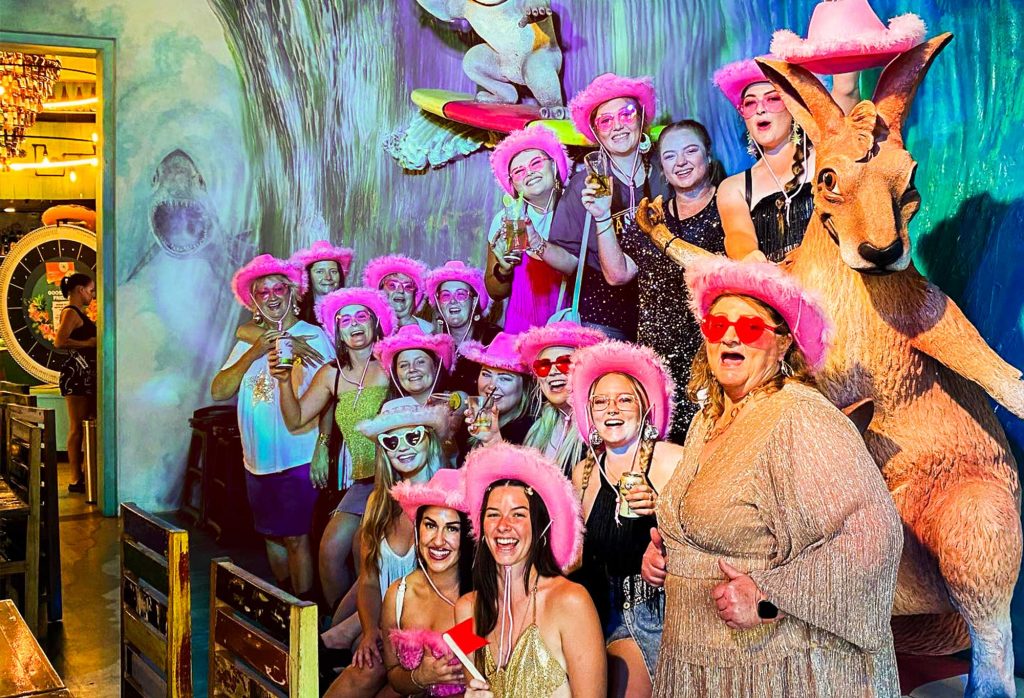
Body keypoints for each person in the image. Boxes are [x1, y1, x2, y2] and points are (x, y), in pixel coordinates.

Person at [643, 255, 903, 696]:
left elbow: (874, 534)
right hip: (696, 661)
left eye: (749, 327)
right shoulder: (706, 421)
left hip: (766, 670)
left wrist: (768, 597)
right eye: (716, 324)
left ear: (784, 344)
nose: (729, 334)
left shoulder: (800, 416)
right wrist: (669, 553)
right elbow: (714, 526)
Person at [596, 119, 728, 441]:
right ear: (662, 168)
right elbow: (618, 274)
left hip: (709, 353)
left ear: (707, 157)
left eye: (690, 151)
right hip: (657, 358)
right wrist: (601, 215)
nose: (681, 162)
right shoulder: (651, 215)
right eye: (670, 156)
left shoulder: (728, 205)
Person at [567, 340, 684, 697]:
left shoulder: (670, 460)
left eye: (624, 399)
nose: (611, 409)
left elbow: (706, 535)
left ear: (644, 407)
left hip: (654, 615)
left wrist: (660, 507)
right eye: (601, 402)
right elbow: (575, 559)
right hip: (595, 614)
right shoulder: (583, 473)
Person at [212, 255, 331, 596]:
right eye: (262, 292)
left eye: (279, 288)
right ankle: (284, 604)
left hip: (298, 457)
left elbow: (330, 396)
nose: (272, 296)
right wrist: (254, 351)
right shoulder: (247, 342)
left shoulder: (313, 338)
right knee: (270, 535)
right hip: (256, 460)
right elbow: (219, 390)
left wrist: (323, 446)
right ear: (253, 302)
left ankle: (303, 617)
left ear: (294, 293)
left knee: (296, 537)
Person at [271, 287, 397, 609]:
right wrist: (284, 381)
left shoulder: (391, 364)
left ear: (375, 322)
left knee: (361, 548)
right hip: (362, 481)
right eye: (345, 320)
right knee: (328, 551)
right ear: (337, 329)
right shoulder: (332, 374)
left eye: (362, 317)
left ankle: (365, 634)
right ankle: (338, 628)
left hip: (394, 481)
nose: (354, 325)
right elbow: (296, 418)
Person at [457, 442, 606, 698]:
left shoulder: (572, 601)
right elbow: (474, 686)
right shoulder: (464, 611)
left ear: (540, 529)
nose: (503, 526)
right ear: (481, 530)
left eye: (517, 515)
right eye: (493, 515)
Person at [324, 397, 451, 697]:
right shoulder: (377, 504)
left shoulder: (448, 500)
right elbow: (368, 582)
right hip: (386, 627)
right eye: (391, 441)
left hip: (432, 633)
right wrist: (369, 631)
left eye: (412, 435)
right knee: (364, 670)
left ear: (429, 438)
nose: (402, 447)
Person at [547, 73, 665, 341]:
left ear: (641, 118)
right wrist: (536, 244)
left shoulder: (666, 173)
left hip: (665, 313)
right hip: (605, 318)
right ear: (596, 131)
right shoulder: (583, 186)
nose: (618, 126)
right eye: (606, 120)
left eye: (627, 114)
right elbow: (570, 261)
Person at [714, 58, 859, 262]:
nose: (760, 110)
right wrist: (750, 258)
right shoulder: (733, 187)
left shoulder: (827, 157)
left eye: (772, 99)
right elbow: (739, 236)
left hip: (834, 285)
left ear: (794, 108)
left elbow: (847, 89)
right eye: (750, 103)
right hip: (777, 289)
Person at [384, 468, 472, 696]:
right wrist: (421, 677)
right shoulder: (399, 595)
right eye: (430, 525)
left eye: (452, 528)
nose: (438, 541)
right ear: (417, 529)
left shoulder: (483, 599)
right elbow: (394, 675)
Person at [484, 125, 575, 332]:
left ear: (554, 166)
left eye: (536, 163)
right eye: (518, 171)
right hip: (520, 331)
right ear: (513, 185)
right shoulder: (507, 220)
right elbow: (495, 292)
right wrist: (503, 270)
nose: (529, 173)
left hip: (569, 333)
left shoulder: (576, 212)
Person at [514, 322, 605, 476]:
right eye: (543, 365)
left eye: (565, 363)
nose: (553, 371)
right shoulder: (535, 430)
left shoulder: (598, 431)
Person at [426, 261, 500, 395]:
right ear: (439, 305)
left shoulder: (494, 339)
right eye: (446, 295)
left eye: (461, 294)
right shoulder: (431, 345)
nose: (453, 301)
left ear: (474, 302)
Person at [54, 272, 97, 494]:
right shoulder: (71, 313)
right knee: (77, 426)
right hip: (77, 376)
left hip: (84, 376)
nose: (92, 295)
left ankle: (84, 474)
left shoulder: (79, 313)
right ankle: (74, 477)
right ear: (80, 290)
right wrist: (89, 342)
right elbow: (60, 341)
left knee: (84, 425)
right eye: (90, 290)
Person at [459, 332, 534, 448]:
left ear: (524, 386)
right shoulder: (471, 422)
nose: (492, 385)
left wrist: (493, 442)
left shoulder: (531, 431)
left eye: (505, 378)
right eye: (486, 374)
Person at [375, 324, 456, 404]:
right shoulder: (387, 412)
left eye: (420, 362)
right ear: (396, 373)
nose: (412, 369)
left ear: (435, 366)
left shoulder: (455, 404)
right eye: (404, 365)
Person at [364, 255, 434, 334]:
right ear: (380, 292)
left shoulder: (429, 331)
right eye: (392, 285)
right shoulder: (369, 331)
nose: (400, 290)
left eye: (408, 286)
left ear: (415, 295)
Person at [291, 239, 354, 324]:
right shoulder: (295, 309)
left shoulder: (351, 307)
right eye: (320, 272)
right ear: (308, 276)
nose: (328, 277)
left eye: (333, 271)